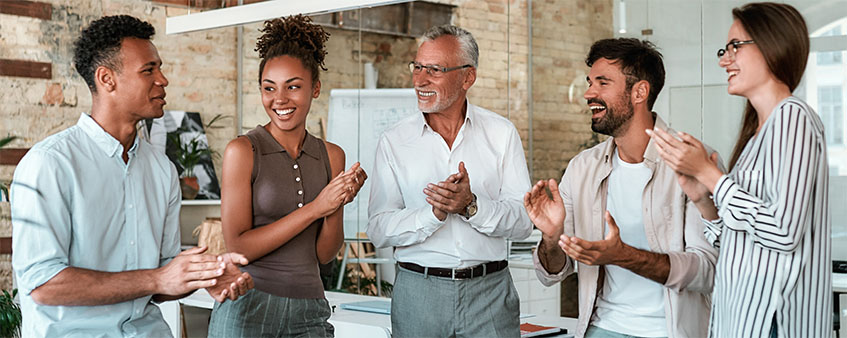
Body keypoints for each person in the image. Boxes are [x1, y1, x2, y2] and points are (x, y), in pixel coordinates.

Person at [10, 15, 252, 337]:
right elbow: (43, 283)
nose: (163, 80)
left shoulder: (162, 169)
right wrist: (157, 278)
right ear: (107, 79)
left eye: (159, 68)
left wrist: (204, 275)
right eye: (148, 70)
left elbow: (163, 279)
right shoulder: (49, 164)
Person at [648, 3, 831, 337]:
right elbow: (738, 239)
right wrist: (704, 199)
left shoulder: (793, 118)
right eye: (724, 49)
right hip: (742, 320)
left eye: (735, 46)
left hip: (773, 321)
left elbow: (783, 232)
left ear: (772, 45)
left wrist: (711, 175)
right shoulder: (757, 134)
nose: (724, 59)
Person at [525, 38, 719, 338]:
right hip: (602, 328)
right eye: (590, 82)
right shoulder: (582, 167)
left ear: (640, 91)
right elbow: (553, 273)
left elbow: (708, 271)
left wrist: (623, 255)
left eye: (603, 83)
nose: (589, 93)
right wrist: (551, 237)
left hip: (670, 331)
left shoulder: (692, 161)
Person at [367, 24, 532, 337]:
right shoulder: (393, 141)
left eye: (435, 69)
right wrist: (433, 214)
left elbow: (524, 221)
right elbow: (378, 229)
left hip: (491, 297)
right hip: (419, 296)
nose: (420, 80)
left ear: (467, 77)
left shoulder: (501, 134)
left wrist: (471, 206)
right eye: (417, 67)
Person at [208, 15, 367, 337]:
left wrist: (337, 203)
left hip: (309, 309)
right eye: (269, 88)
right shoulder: (243, 151)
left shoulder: (332, 155)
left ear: (315, 88)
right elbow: (240, 246)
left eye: (293, 87)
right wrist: (316, 207)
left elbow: (325, 255)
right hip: (246, 307)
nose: (279, 100)